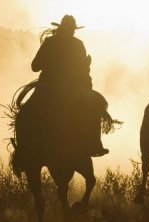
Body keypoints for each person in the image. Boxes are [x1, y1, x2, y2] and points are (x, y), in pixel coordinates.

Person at [31, 15, 109, 156]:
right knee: (95, 107)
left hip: (47, 87)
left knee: (27, 113)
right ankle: (95, 144)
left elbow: (35, 66)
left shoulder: (49, 42)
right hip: (73, 89)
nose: (72, 32)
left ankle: (25, 148)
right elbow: (84, 70)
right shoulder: (78, 44)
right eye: (71, 29)